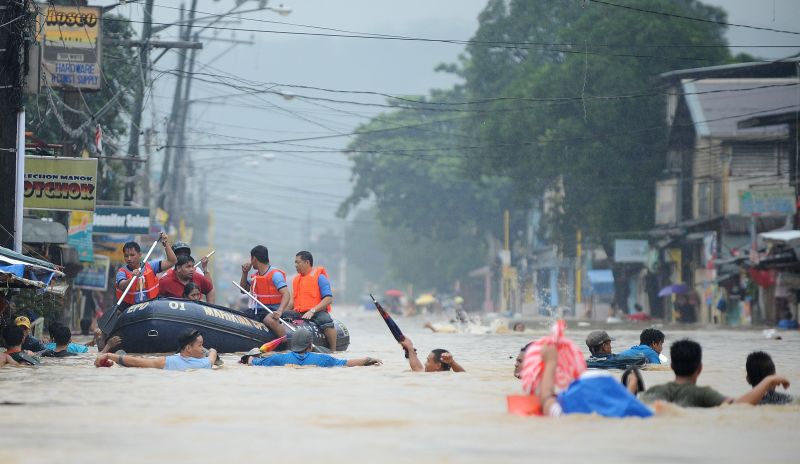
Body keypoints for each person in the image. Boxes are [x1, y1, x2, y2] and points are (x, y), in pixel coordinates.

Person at [640, 339, 790, 407]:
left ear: (672, 366)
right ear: (700, 368)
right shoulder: (704, 394)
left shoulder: (655, 390)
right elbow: (739, 406)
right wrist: (768, 382)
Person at [532, 344, 652, 418]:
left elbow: (547, 399)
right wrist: (631, 388)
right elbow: (621, 404)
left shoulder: (569, 410)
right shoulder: (633, 409)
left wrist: (551, 362)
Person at [272, 251, 337, 351]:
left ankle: (333, 349)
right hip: (299, 312)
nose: (296, 265)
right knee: (282, 315)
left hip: (316, 312)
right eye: (295, 263)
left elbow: (329, 298)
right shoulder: (296, 280)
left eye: (298, 262)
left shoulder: (320, 277)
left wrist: (312, 311)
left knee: (326, 321)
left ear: (307, 262)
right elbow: (292, 302)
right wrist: (281, 312)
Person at [244, 328, 380, 368]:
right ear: (310, 346)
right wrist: (369, 359)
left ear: (292, 345)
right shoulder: (324, 359)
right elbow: (348, 363)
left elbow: (251, 362)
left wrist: (250, 356)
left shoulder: (277, 358)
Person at [94, 328, 217, 371]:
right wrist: (211, 350)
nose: (202, 349)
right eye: (200, 345)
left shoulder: (166, 361)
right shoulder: (204, 364)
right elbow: (213, 356)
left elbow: (138, 362)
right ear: (189, 348)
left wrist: (110, 355)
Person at [115, 232, 177, 307]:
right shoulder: (122, 272)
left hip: (150, 307)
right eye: (126, 256)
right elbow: (122, 286)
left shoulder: (151, 266)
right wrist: (132, 278)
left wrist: (165, 243)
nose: (129, 259)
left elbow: (172, 261)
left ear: (140, 254)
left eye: (132, 255)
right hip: (129, 308)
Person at [239, 245, 291, 326]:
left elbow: (286, 294)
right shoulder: (256, 276)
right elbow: (243, 290)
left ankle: (285, 338)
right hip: (257, 310)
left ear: (254, 259)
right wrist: (244, 272)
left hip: (272, 311)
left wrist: (280, 311)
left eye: (251, 259)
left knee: (268, 320)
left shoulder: (275, 275)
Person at [398, 336, 465, 372]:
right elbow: (418, 368)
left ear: (438, 366)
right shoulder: (431, 373)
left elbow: (463, 376)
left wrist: (452, 362)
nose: (425, 364)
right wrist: (410, 347)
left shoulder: (441, 379)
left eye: (428, 361)